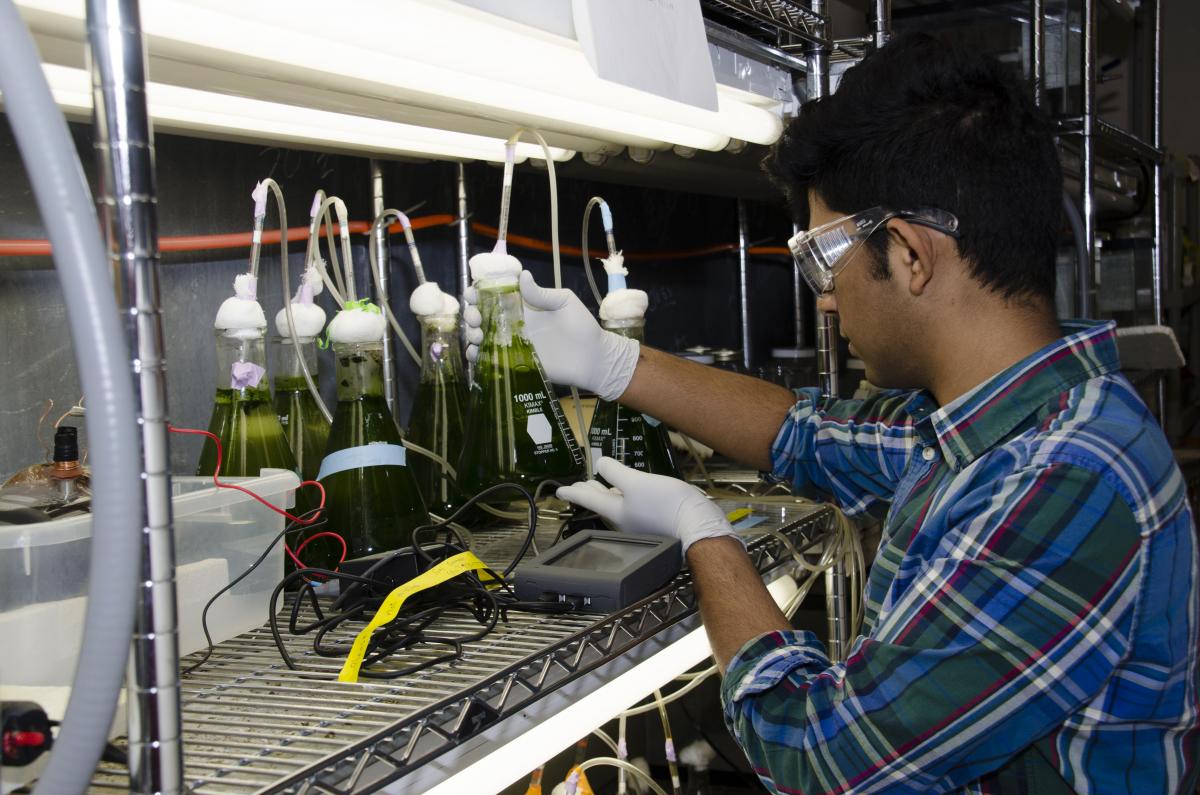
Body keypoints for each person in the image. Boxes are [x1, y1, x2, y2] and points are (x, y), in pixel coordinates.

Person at [465, 33, 1199, 794]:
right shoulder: (994, 420)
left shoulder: (1065, 477)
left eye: (824, 256)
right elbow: (802, 435)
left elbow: (820, 756)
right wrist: (612, 363)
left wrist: (705, 534)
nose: (824, 294)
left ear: (912, 256)